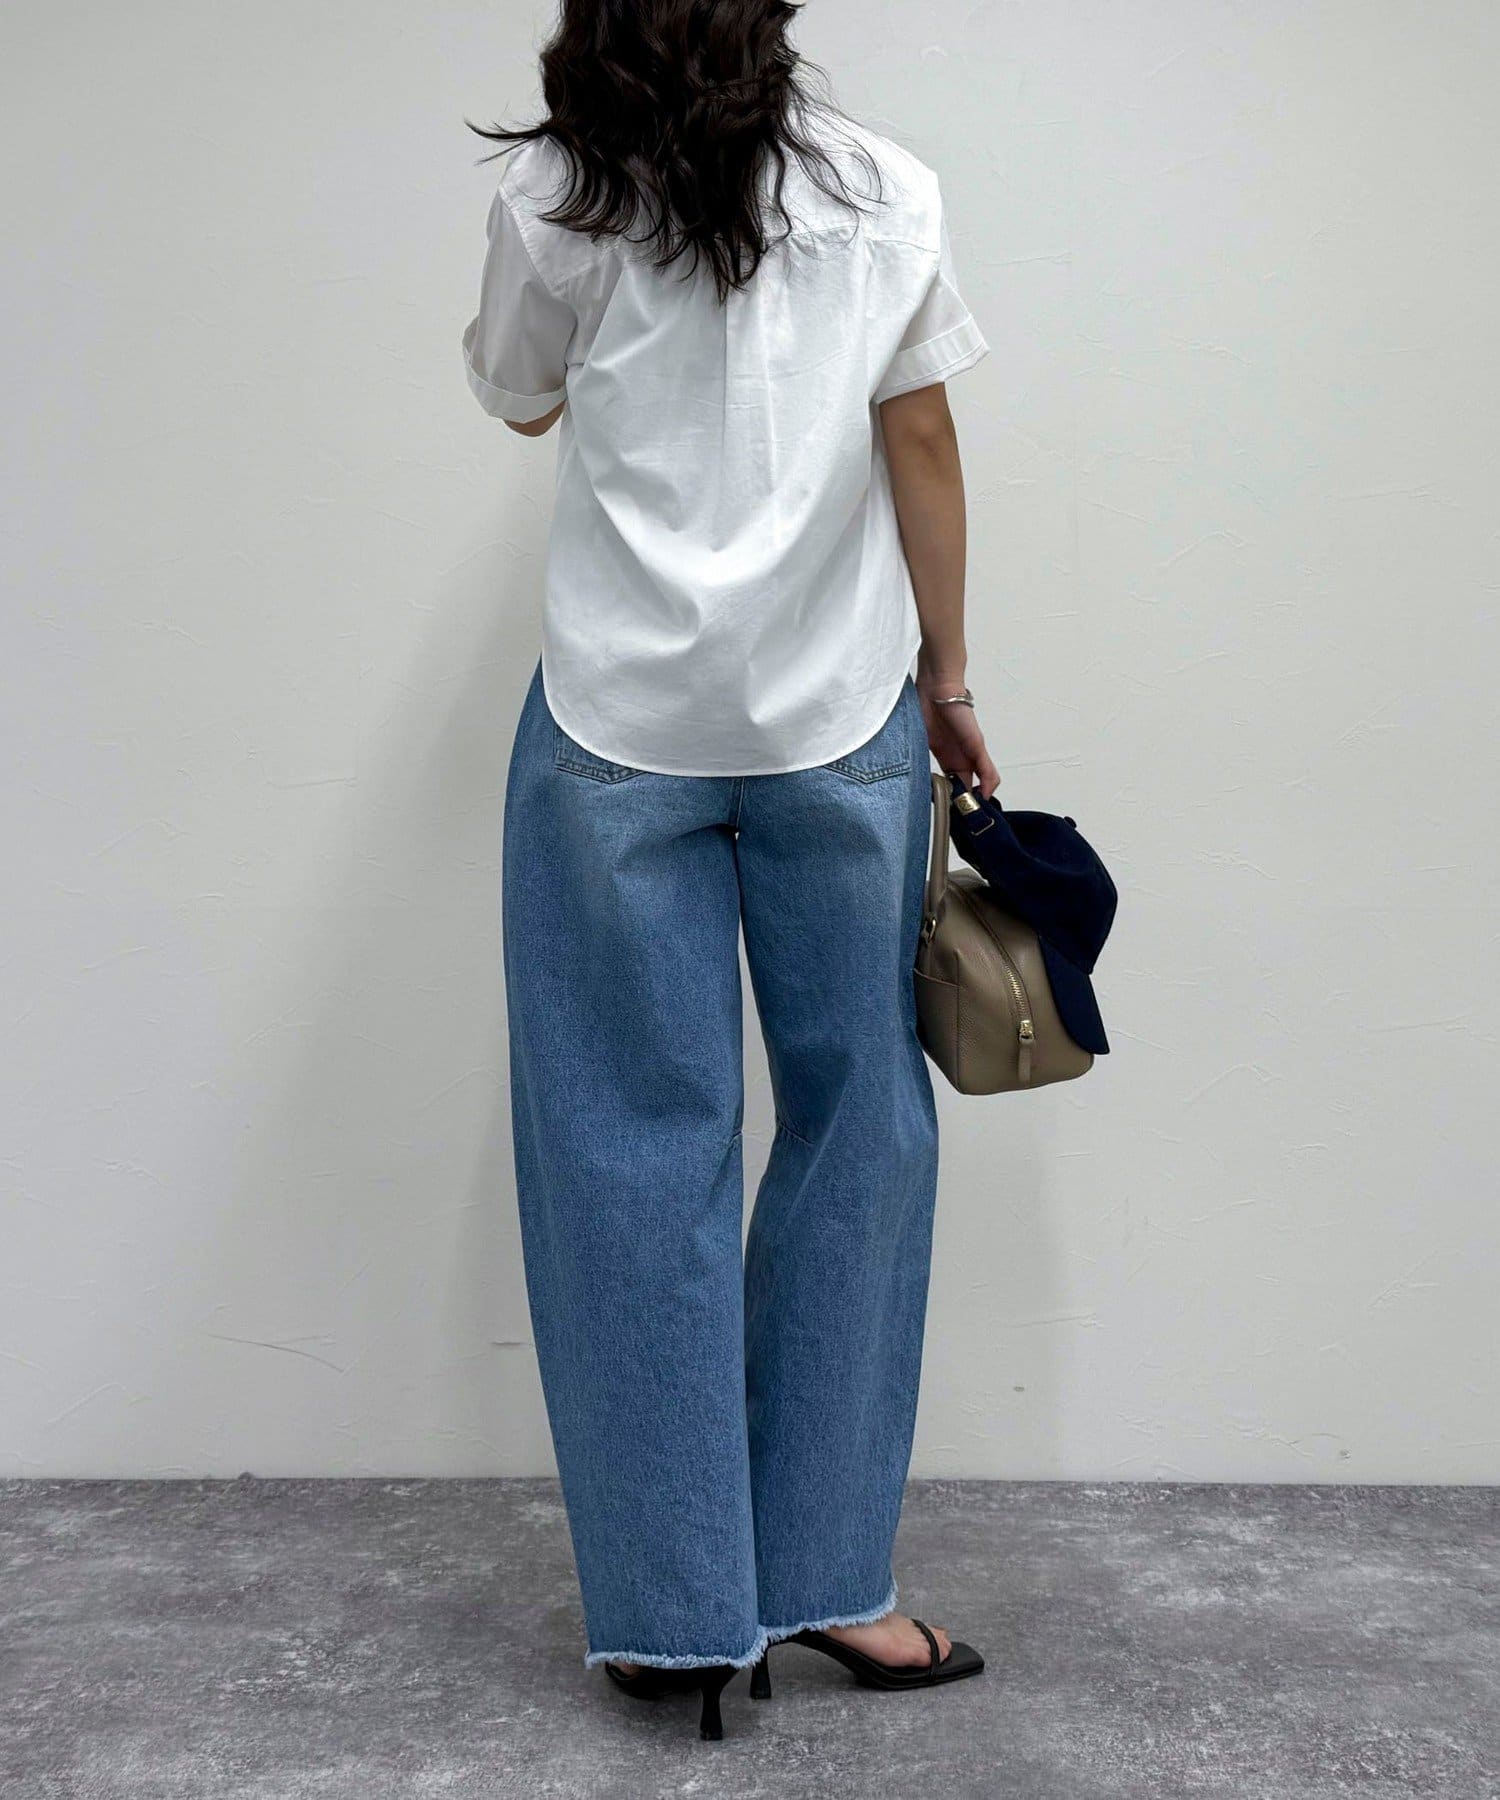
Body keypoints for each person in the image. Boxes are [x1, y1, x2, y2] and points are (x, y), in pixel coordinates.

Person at [462, 0, 999, 1741]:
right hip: (839, 716)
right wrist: (950, 676)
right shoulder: (885, 186)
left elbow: (519, 401)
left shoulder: (558, 193)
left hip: (616, 719)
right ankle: (835, 1586)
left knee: (630, 1145)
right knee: (863, 1125)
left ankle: (679, 1616)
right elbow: (922, 440)